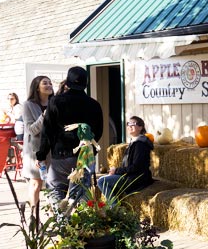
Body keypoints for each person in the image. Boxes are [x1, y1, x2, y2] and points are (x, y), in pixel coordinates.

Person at [36, 66, 103, 204]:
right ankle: (78, 224)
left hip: (60, 155)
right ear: (86, 83)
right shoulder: (94, 105)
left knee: (56, 192)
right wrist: (91, 151)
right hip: (84, 156)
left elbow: (47, 130)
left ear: (67, 82)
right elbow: (98, 132)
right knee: (79, 198)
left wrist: (41, 154)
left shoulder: (55, 102)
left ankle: (61, 222)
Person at [98, 116, 154, 205]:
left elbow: (136, 167)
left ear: (140, 127)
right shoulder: (134, 142)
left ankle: (114, 208)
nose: (129, 126)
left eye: (133, 124)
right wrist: (116, 171)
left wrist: (117, 170)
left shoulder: (140, 144)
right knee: (103, 178)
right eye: (128, 124)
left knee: (101, 181)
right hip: (132, 175)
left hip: (137, 178)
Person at [21, 76, 54, 209]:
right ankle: (34, 218)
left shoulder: (55, 102)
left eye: (50, 83)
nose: (49, 85)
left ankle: (54, 217)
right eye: (45, 83)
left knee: (53, 184)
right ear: (37, 87)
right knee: (36, 184)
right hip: (36, 151)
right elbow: (31, 130)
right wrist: (44, 116)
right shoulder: (28, 105)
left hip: (53, 150)